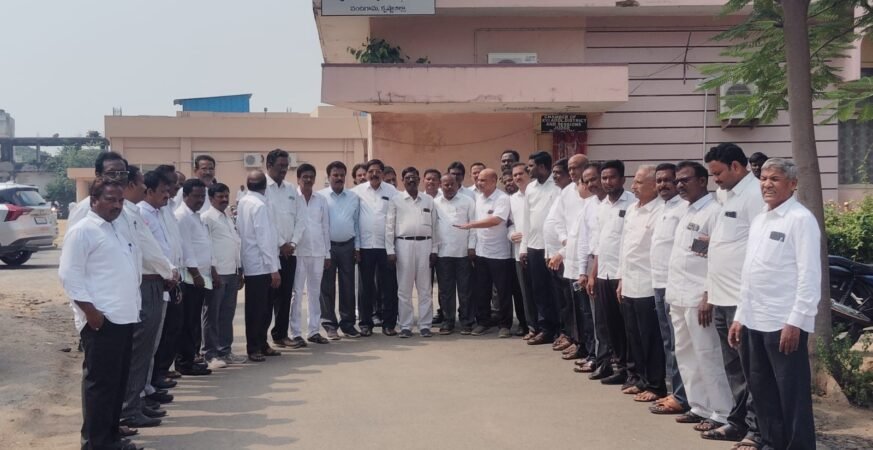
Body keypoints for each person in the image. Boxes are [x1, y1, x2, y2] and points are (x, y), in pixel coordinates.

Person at [729, 158, 819, 450]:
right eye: (764, 178)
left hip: (783, 323)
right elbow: (750, 273)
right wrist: (740, 316)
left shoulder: (800, 219)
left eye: (775, 179)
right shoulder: (760, 219)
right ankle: (770, 443)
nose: (766, 184)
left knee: (791, 395)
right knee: (762, 391)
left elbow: (809, 275)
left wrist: (796, 321)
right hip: (754, 318)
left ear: (792, 184)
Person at [59, 178, 140, 450]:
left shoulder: (115, 229)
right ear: (94, 201)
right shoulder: (83, 231)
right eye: (110, 200)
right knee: (101, 387)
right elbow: (69, 276)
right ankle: (97, 444)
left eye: (120, 201)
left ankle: (111, 439)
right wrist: (91, 313)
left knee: (116, 385)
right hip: (102, 321)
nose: (117, 205)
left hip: (124, 317)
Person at [702, 143, 763, 443]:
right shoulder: (726, 195)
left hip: (741, 299)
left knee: (751, 370)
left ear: (736, 167)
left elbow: (758, 249)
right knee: (733, 367)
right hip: (721, 295)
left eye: (718, 173)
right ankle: (737, 422)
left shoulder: (754, 196)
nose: (715, 179)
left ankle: (756, 429)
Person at [666, 161, 733, 433]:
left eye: (686, 180)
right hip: (678, 295)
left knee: (708, 355)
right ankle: (699, 406)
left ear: (703, 181)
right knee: (685, 354)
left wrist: (708, 295)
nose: (680, 185)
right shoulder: (685, 211)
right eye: (678, 180)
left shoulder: (714, 212)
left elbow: (716, 259)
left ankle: (722, 412)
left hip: (698, 297)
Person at [119, 167, 177, 429]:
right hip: (146, 281)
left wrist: (169, 269)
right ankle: (130, 407)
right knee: (138, 350)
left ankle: (137, 401)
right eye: (142, 183)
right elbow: (148, 249)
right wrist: (168, 270)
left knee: (146, 349)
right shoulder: (132, 212)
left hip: (156, 281)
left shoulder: (132, 212)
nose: (144, 188)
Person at [616, 165, 667, 402]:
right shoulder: (632, 209)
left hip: (648, 282)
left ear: (653, 186)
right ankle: (640, 379)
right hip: (629, 281)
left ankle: (656, 385)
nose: (633, 186)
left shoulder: (660, 210)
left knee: (650, 338)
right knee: (633, 335)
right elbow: (624, 246)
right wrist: (621, 279)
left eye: (638, 182)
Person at [587, 160, 636, 386]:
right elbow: (600, 244)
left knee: (627, 327)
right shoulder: (602, 206)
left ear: (622, 179)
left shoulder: (632, 204)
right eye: (604, 178)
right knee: (610, 325)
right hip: (604, 274)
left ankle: (633, 371)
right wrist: (593, 275)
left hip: (622, 274)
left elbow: (629, 243)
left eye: (612, 177)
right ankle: (619, 367)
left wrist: (623, 277)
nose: (607, 182)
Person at [647, 163, 691, 416]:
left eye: (668, 180)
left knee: (678, 344)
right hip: (659, 282)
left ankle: (682, 396)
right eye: (659, 181)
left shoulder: (684, 209)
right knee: (669, 342)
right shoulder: (662, 208)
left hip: (675, 285)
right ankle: (675, 391)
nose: (663, 185)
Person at [456, 169, 514, 337]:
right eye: (478, 180)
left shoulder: (502, 198)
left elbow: (496, 220)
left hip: (500, 254)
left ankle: (505, 325)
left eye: (483, 180)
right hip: (481, 252)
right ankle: (483, 322)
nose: (479, 183)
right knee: (482, 290)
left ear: (494, 181)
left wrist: (471, 225)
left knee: (502, 292)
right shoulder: (478, 199)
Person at [545, 154, 590, 360]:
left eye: (576, 167)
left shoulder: (590, 194)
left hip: (586, 259)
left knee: (587, 310)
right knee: (574, 305)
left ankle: (588, 347)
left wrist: (563, 251)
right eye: (570, 168)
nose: (572, 172)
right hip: (570, 255)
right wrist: (564, 241)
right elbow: (559, 221)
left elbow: (583, 232)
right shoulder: (567, 192)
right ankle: (577, 341)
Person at [387, 167, 438, 338]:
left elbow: (435, 226)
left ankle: (425, 325)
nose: (411, 180)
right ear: (403, 180)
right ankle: (406, 326)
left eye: (414, 177)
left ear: (419, 179)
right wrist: (390, 249)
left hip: (425, 245)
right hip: (403, 245)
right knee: (404, 289)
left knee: (425, 288)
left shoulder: (428, 200)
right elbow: (389, 226)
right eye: (407, 177)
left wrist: (434, 249)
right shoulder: (396, 200)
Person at [237, 170, 281, 362]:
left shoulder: (244, 201)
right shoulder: (259, 205)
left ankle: (261, 344)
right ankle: (255, 346)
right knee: (260, 309)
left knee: (259, 308)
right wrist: (274, 269)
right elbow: (264, 239)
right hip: (262, 264)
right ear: (265, 186)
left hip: (253, 262)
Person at [201, 183, 246, 368]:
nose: (224, 199)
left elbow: (235, 243)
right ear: (211, 198)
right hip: (217, 273)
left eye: (226, 196)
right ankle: (210, 354)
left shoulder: (227, 217)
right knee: (212, 315)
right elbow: (206, 246)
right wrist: (213, 271)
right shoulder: (207, 218)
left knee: (227, 315)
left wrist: (239, 269)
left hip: (232, 272)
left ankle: (225, 351)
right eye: (220, 196)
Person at [353, 159, 399, 336]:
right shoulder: (357, 192)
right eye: (371, 171)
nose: (374, 174)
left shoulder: (392, 191)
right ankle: (365, 323)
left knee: (388, 287)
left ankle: (389, 324)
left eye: (378, 171)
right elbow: (355, 220)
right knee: (365, 288)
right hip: (365, 246)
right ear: (366, 174)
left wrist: (392, 248)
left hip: (386, 247)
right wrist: (357, 247)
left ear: (382, 173)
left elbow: (395, 219)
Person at [174, 178, 215, 376]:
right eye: (196, 196)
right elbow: (186, 248)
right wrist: (196, 273)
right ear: (185, 196)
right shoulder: (182, 216)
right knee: (188, 322)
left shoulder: (195, 216)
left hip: (201, 276)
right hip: (190, 277)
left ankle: (191, 357)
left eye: (202, 196)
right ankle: (184, 362)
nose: (200, 200)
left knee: (194, 321)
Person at [521, 151, 561, 345]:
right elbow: (526, 220)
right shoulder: (530, 188)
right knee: (539, 290)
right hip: (534, 246)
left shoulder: (557, 187)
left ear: (542, 167)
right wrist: (523, 247)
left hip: (553, 249)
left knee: (556, 291)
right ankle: (545, 328)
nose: (528, 169)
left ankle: (561, 330)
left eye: (531, 166)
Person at [289, 163, 332, 345]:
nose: (308, 180)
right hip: (298, 252)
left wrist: (327, 253)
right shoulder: (292, 198)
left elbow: (325, 226)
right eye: (304, 177)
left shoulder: (321, 199)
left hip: (318, 252)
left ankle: (314, 331)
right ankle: (295, 333)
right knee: (297, 293)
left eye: (311, 177)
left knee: (315, 293)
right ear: (298, 179)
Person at [319, 161, 362, 339]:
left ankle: (348, 324)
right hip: (328, 246)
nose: (339, 178)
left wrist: (357, 247)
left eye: (341, 175)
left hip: (348, 246)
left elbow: (357, 223)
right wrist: (324, 250)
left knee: (348, 287)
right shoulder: (320, 197)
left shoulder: (353, 197)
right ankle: (330, 325)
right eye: (335, 175)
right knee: (326, 287)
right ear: (328, 177)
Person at [264, 149, 301, 349]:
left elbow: (300, 218)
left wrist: (292, 243)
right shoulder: (262, 188)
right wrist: (280, 243)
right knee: (268, 298)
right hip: (270, 252)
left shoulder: (291, 189)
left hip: (289, 253)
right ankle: (261, 340)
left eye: (286, 166)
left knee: (285, 296)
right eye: (280, 166)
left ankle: (280, 334)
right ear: (269, 165)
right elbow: (266, 222)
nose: (284, 170)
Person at [433, 173, 476, 335]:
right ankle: (448, 321)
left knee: (465, 290)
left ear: (458, 185)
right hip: (443, 253)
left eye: (452, 184)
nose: (449, 187)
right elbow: (433, 228)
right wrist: (434, 250)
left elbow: (473, 225)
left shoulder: (468, 201)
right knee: (446, 291)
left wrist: (471, 247)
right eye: (446, 184)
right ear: (440, 186)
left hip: (463, 253)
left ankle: (466, 321)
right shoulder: (435, 203)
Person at [574, 162, 606, 373]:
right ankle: (598, 358)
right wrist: (583, 271)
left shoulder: (627, 203)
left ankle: (611, 361)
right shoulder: (589, 205)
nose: (591, 184)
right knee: (596, 318)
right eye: (587, 181)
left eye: (595, 179)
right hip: (594, 264)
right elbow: (584, 241)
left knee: (611, 320)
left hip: (615, 268)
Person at [543, 158, 576, 354]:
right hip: (555, 254)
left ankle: (572, 336)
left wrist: (562, 252)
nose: (555, 176)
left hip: (566, 256)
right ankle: (565, 332)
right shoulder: (562, 193)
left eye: (559, 173)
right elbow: (555, 223)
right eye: (554, 173)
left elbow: (575, 229)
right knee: (560, 300)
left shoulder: (576, 194)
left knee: (569, 301)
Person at [508, 162, 535, 338]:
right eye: (515, 175)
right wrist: (511, 234)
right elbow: (509, 224)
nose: (518, 177)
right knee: (524, 292)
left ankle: (546, 327)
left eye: (520, 174)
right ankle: (528, 325)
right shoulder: (512, 199)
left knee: (540, 291)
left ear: (528, 174)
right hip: (519, 251)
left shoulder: (536, 193)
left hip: (538, 249)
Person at [67, 151, 129, 228]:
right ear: (98, 175)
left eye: (122, 173)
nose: (118, 178)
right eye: (111, 173)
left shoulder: (125, 206)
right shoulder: (83, 209)